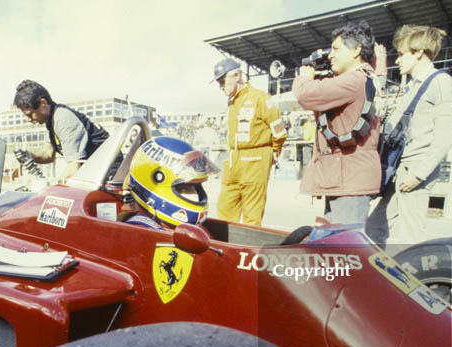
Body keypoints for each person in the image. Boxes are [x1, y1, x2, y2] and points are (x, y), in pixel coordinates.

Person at [365, 25, 452, 248]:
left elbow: (446, 135)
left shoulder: (440, 82)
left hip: (414, 171)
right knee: (373, 229)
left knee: (411, 238)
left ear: (418, 52)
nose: (398, 60)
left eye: (402, 54)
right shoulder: (413, 86)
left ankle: (415, 281)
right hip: (399, 168)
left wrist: (419, 174)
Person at [292, 21, 383, 225]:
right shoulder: (364, 77)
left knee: (345, 248)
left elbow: (306, 95)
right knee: (334, 244)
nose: (331, 55)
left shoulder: (354, 80)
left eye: (336, 49)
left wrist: (304, 78)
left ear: (356, 50)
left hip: (350, 178)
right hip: (344, 176)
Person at [213, 57, 287, 226]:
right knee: (224, 212)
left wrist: (270, 154)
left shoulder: (261, 98)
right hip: (233, 161)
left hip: (255, 160)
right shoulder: (232, 102)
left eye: (223, 81)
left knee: (251, 218)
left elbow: (280, 132)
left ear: (237, 75)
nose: (221, 86)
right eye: (218, 82)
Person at [13, 80, 109, 183]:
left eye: (30, 114)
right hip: (94, 173)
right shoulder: (51, 120)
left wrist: (50, 189)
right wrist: (29, 156)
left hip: (109, 175)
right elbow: (49, 155)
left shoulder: (63, 119)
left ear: (43, 103)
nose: (28, 119)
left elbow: (73, 168)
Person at [124, 136, 217, 230]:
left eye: (195, 187)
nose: (195, 195)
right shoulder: (141, 233)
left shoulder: (199, 231)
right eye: (183, 188)